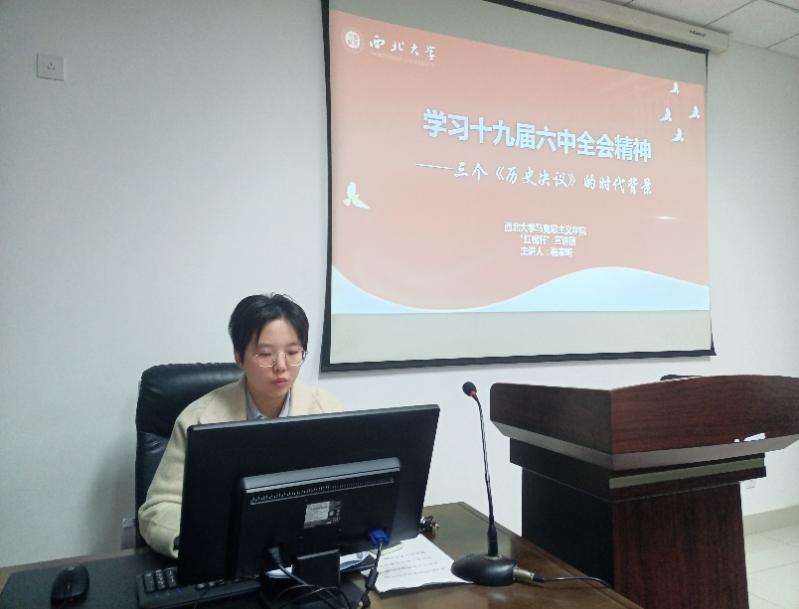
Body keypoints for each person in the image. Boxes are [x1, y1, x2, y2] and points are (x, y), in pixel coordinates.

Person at [138, 293, 343, 557]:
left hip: (303, 551)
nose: (281, 366)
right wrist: (203, 543)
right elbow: (158, 508)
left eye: (293, 352)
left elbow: (346, 492)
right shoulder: (198, 419)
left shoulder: (327, 410)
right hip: (223, 554)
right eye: (265, 354)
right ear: (239, 357)